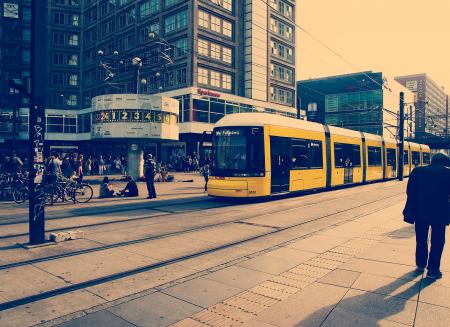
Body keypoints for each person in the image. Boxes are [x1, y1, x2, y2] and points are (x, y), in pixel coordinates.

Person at [403, 152, 450, 279]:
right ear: (445, 162)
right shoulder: (448, 172)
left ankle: (420, 264)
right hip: (439, 213)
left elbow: (409, 191)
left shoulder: (417, 171)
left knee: (421, 239)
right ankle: (433, 270)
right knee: (438, 241)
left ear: (432, 160)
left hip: (420, 212)